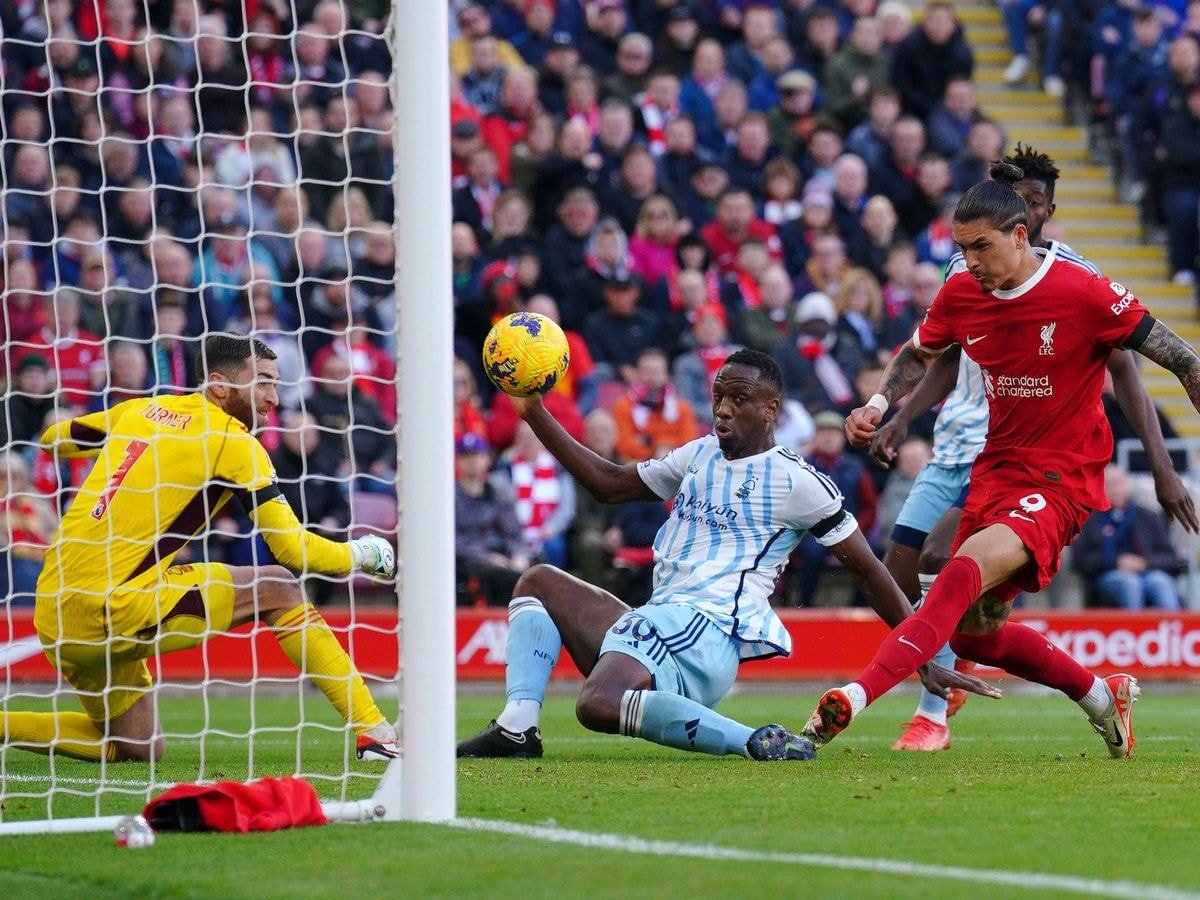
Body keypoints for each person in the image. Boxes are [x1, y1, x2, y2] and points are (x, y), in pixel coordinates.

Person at [800, 162, 1200, 761]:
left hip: (1061, 478)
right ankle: (1099, 695)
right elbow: (919, 353)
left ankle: (856, 698)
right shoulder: (963, 291)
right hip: (994, 469)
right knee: (974, 634)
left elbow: (1177, 357)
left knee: (955, 569)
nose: (972, 261)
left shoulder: (1083, 289)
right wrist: (881, 402)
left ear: (1019, 235)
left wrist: (1174, 444)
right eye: (963, 249)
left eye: (982, 247)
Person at [457, 349, 993, 761]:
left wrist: (919, 653)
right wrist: (533, 413)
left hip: (709, 630)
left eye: (738, 399)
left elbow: (869, 572)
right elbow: (610, 484)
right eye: (718, 396)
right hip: (661, 618)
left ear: (770, 410)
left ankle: (758, 741)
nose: (723, 410)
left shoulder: (798, 482)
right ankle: (517, 727)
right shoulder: (700, 453)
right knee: (538, 583)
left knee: (596, 705)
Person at [1, 335, 398, 764]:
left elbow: (55, 438)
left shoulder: (140, 410)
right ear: (219, 385)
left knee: (137, 745)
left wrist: (118, 445)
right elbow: (297, 554)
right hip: (115, 608)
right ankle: (374, 733)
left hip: (55, 613)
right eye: (263, 382)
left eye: (276, 385)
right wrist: (364, 554)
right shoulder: (236, 443)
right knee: (280, 587)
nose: (272, 398)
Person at [1073, 465, 1184, 611]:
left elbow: (1171, 558)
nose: (1115, 489)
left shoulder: (1148, 517)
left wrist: (1145, 563)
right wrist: (1116, 561)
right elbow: (1080, 560)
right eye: (1110, 484)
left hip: (1148, 572)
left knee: (1160, 582)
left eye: (1119, 483)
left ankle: (1171, 629)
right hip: (1107, 575)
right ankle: (1135, 631)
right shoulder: (1090, 520)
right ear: (1100, 488)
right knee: (1130, 583)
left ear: (1128, 484)